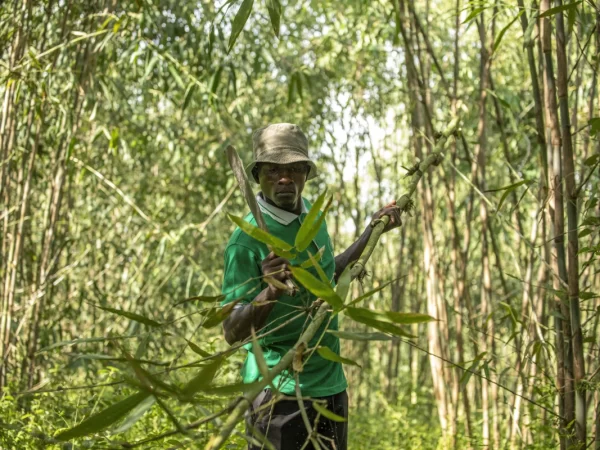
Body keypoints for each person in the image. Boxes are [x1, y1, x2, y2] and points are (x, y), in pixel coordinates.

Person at [221, 123, 401, 450]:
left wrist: (372, 230)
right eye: (274, 170)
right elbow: (231, 332)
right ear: (258, 175)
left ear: (306, 172)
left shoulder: (313, 219)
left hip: (330, 387)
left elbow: (328, 276)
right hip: (276, 393)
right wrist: (270, 290)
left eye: (294, 169)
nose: (285, 178)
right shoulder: (244, 242)